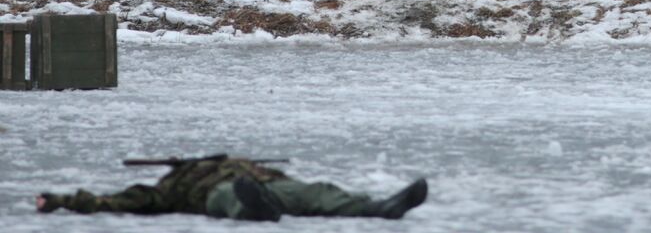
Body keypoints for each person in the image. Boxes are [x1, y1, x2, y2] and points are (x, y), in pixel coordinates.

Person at [35, 154, 428, 221]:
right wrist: (62, 200)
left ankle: (379, 207)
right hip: (219, 197)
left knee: (318, 192)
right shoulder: (168, 187)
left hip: (267, 184)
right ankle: (255, 210)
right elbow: (112, 201)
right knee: (231, 197)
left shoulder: (232, 163)